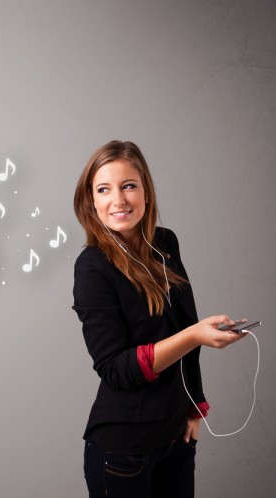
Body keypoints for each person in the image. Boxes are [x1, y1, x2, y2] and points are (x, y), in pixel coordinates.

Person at [72, 140, 245, 498]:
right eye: (104, 189)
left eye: (128, 186)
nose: (118, 200)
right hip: (123, 451)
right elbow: (115, 368)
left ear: (146, 192)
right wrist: (195, 336)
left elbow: (185, 325)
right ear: (91, 202)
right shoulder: (92, 267)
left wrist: (195, 405)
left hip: (176, 439)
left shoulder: (165, 243)